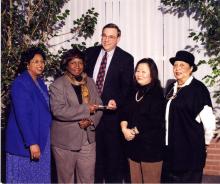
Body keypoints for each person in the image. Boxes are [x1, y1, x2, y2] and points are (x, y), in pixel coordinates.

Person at [84, 23, 134, 183]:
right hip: (90, 115)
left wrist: (117, 101)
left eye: (111, 36)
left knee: (113, 162)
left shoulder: (126, 59)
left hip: (112, 118)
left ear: (118, 38)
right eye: (104, 35)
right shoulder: (90, 54)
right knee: (94, 161)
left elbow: (127, 88)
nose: (106, 39)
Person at [49, 47, 103, 183]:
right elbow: (58, 110)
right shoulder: (58, 84)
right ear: (66, 65)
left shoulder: (89, 82)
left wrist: (90, 121)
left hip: (88, 140)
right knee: (66, 180)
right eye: (73, 63)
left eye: (80, 63)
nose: (77, 66)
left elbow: (99, 107)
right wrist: (85, 110)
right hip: (65, 142)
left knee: (87, 179)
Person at [162, 50, 216, 183]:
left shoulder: (198, 89)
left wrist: (205, 143)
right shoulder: (171, 87)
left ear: (191, 69)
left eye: (182, 65)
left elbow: (209, 123)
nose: (177, 68)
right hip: (171, 151)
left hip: (190, 151)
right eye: (175, 65)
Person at [5, 47, 52, 183]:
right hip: (25, 142)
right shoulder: (20, 83)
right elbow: (22, 116)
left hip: (42, 138)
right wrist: (32, 143)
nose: (40, 64)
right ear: (27, 64)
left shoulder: (40, 83)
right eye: (35, 61)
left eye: (42, 61)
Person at [120, 58, 165, 183]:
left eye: (143, 72)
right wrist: (124, 129)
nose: (139, 74)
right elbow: (124, 113)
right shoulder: (133, 91)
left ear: (152, 74)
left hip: (151, 149)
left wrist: (132, 132)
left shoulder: (157, 93)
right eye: (137, 71)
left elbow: (154, 120)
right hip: (133, 146)